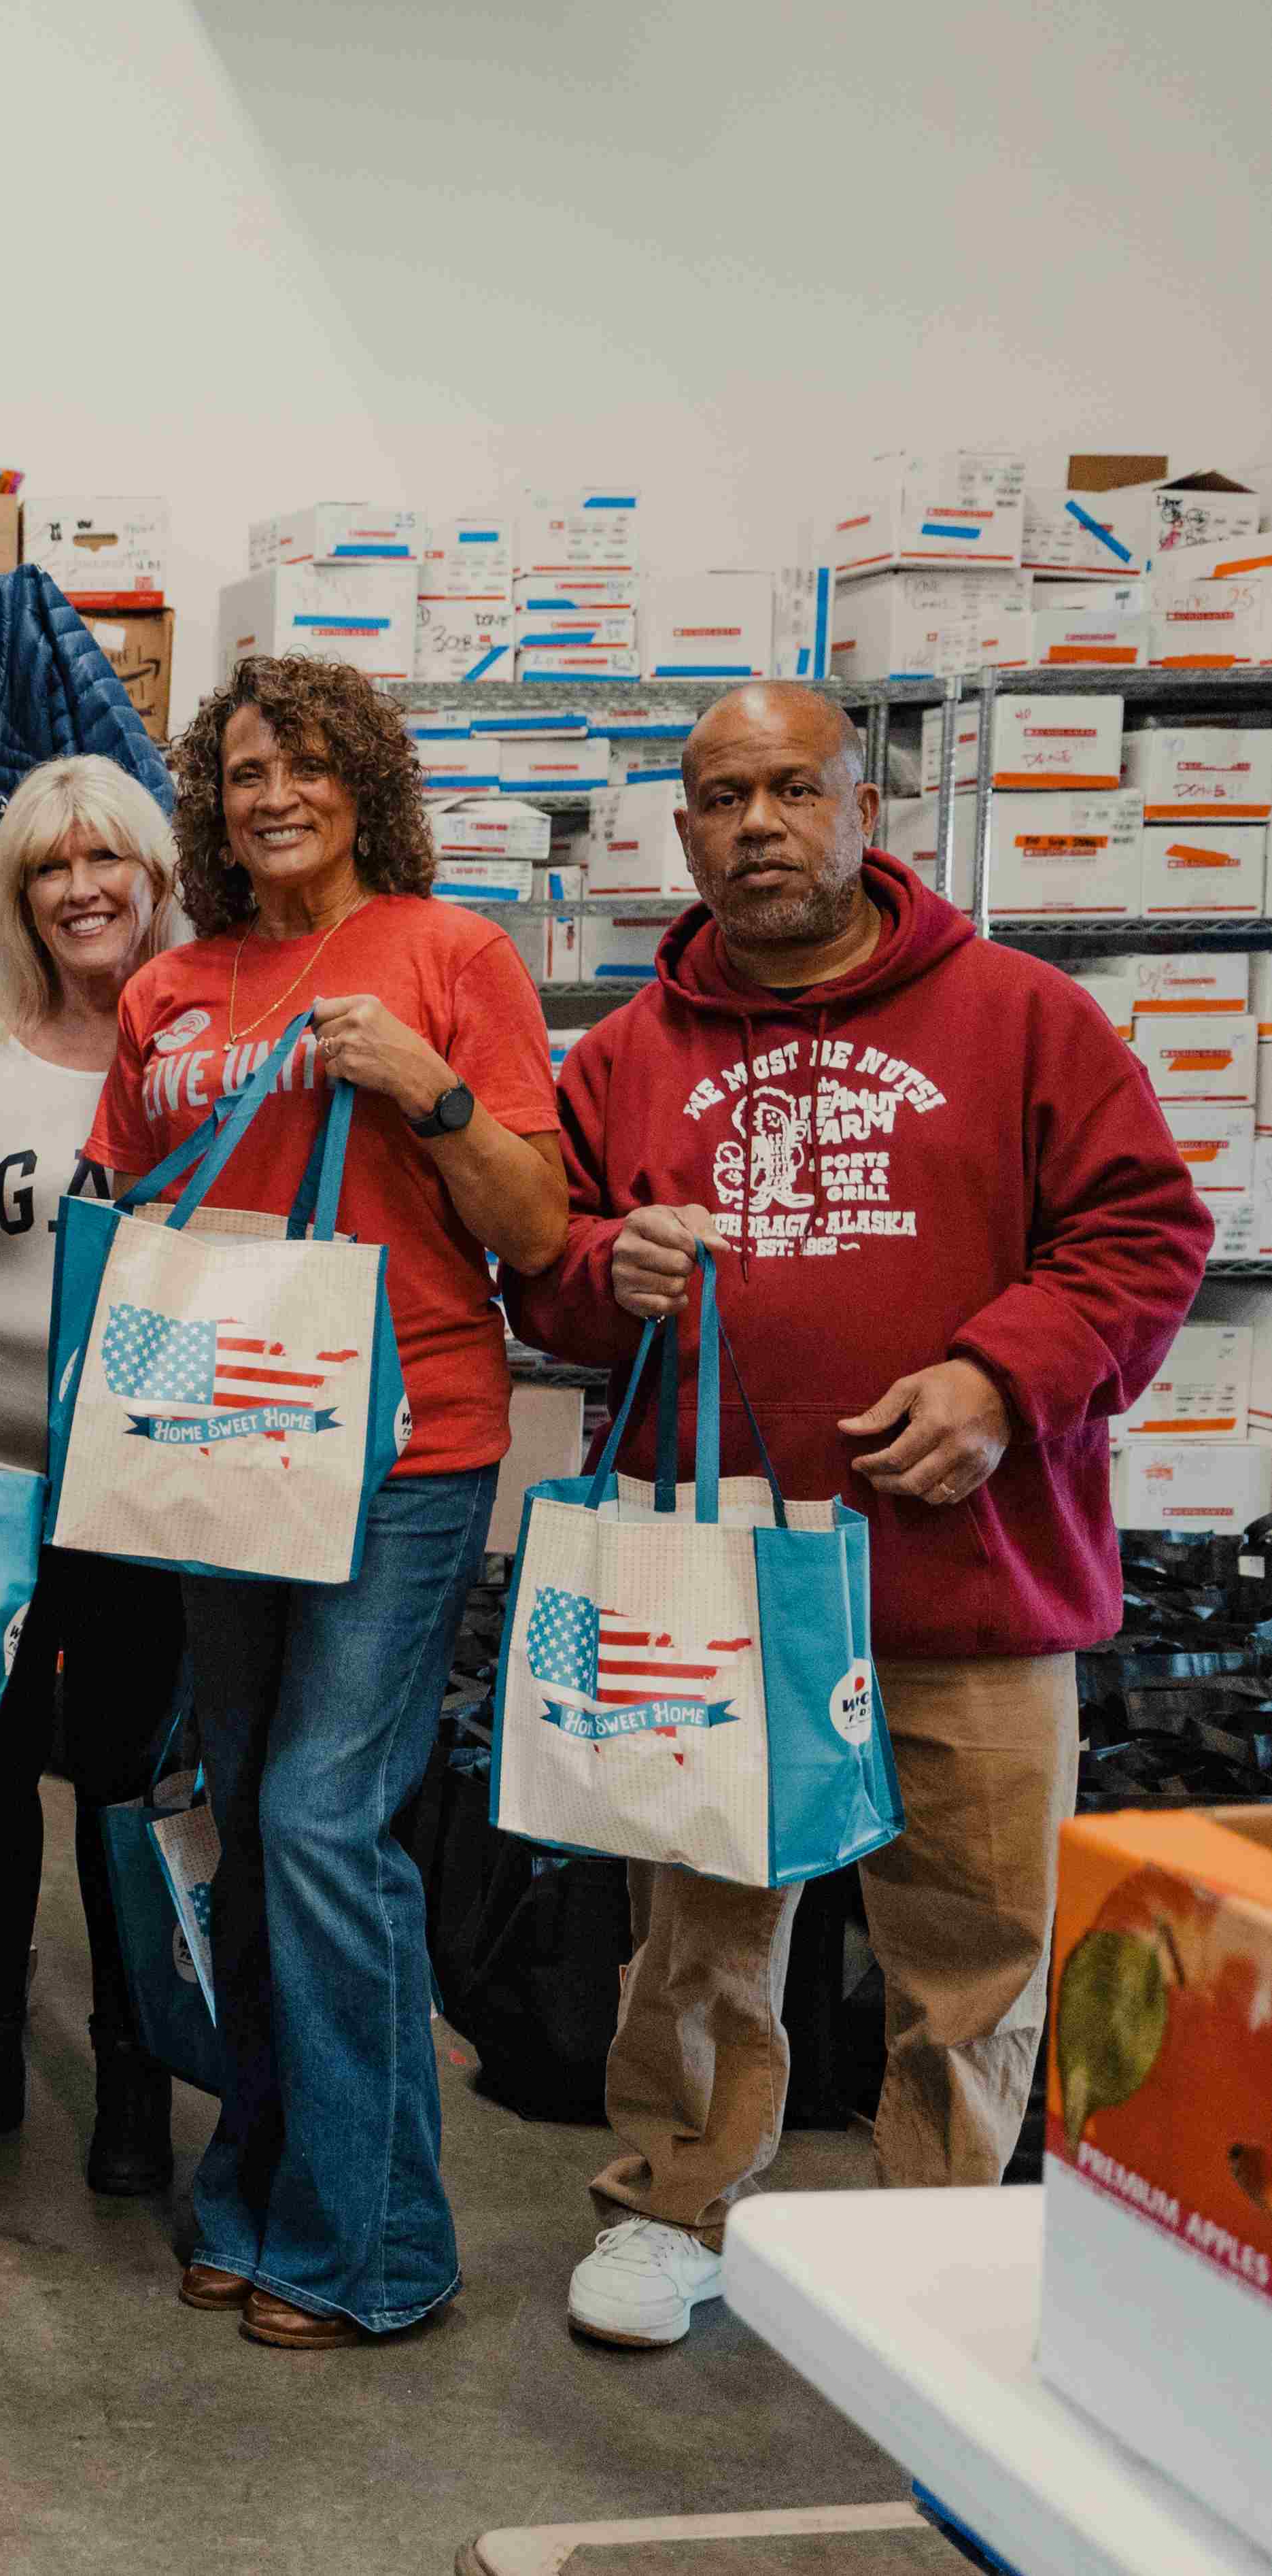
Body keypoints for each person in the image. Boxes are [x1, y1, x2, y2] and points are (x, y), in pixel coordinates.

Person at [501, 681, 1208, 2349]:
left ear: (857, 811)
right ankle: (671, 2203)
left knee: (968, 1951)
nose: (754, 823)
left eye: (788, 789)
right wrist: (612, 1269)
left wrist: (995, 1381)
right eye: (719, 798)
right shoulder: (619, 1057)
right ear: (678, 836)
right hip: (715, 1589)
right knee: (694, 1940)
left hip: (967, 1585)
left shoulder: (1022, 1016)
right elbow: (547, 1273)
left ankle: (930, 2252)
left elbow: (1141, 1238)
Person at [82, 653, 568, 2350]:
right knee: (250, 1816)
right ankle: (255, 2192)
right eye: (235, 773)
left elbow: (534, 1230)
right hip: (217, 1454)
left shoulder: (451, 957)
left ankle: (377, 2242)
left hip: (403, 1446)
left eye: (297, 763)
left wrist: (420, 1087)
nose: (267, 794)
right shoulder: (173, 987)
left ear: (362, 779)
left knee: (316, 1822)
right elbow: (127, 1210)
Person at [0, 753, 191, 2193]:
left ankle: (135, 2061)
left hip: (150, 1491)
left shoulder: (200, 1045)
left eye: (106, 859)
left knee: (131, 1787)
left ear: (152, 874)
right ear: (20, 896)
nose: (81, 888)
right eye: (48, 867)